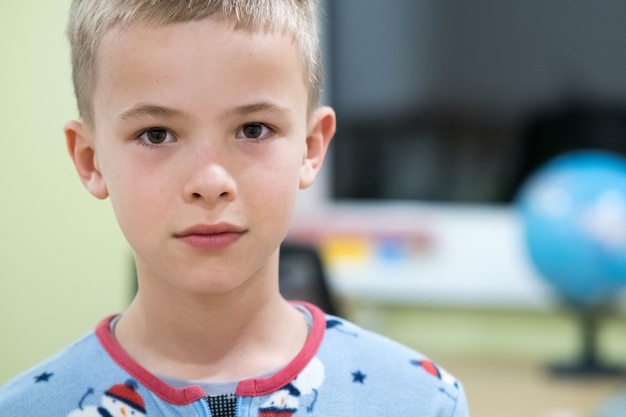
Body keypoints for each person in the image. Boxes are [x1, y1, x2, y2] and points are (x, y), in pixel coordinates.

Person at [0, 1, 470, 416]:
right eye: (156, 134)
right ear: (90, 159)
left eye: (253, 130)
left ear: (310, 147)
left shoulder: (420, 402)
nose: (210, 183)